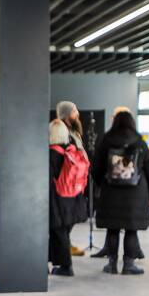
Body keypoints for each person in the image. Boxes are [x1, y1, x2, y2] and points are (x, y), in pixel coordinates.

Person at [92, 111, 149, 275]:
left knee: (112, 228)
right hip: (135, 193)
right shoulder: (139, 142)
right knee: (131, 229)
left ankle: (112, 264)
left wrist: (101, 183)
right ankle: (129, 264)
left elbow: (96, 167)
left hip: (111, 192)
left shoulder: (106, 140)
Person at [48, 101, 89, 276]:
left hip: (59, 192)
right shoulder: (76, 140)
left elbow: (52, 172)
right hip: (75, 190)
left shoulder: (56, 149)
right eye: (74, 111)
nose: (77, 113)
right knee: (62, 228)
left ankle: (65, 265)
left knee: (58, 229)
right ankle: (58, 261)